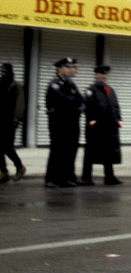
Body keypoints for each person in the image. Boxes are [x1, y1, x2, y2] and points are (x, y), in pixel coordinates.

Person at [45, 57, 84, 188]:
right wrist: (74, 103)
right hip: (59, 124)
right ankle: (52, 179)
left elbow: (81, 101)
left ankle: (67, 177)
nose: (71, 69)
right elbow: (64, 101)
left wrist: (76, 103)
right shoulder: (54, 84)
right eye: (67, 67)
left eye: (71, 67)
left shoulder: (71, 84)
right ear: (59, 68)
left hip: (72, 123)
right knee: (57, 150)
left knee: (71, 150)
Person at [81, 65, 123, 185]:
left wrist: (119, 119)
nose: (103, 76)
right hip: (96, 127)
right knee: (90, 151)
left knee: (109, 152)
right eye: (101, 74)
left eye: (105, 74)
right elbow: (89, 107)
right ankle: (86, 177)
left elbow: (115, 106)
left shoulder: (110, 90)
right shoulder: (91, 90)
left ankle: (109, 177)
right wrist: (93, 120)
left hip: (110, 126)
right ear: (96, 75)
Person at [1, 63, 26, 183]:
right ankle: (3, 172)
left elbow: (20, 103)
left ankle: (19, 167)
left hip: (10, 121)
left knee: (7, 147)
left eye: (5, 72)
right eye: (2, 71)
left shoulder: (16, 85)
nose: (3, 74)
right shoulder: (1, 84)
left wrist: (16, 119)